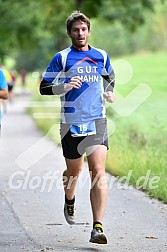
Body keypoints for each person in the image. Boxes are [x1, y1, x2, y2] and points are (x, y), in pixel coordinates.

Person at [39, 11, 115, 244]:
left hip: (97, 121)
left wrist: (110, 90)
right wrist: (64, 86)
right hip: (70, 123)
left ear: (89, 31)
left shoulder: (101, 55)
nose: (80, 33)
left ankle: (97, 228)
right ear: (70, 33)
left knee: (98, 172)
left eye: (84, 29)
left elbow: (110, 76)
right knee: (74, 173)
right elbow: (44, 87)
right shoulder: (61, 58)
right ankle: (69, 199)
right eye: (76, 30)